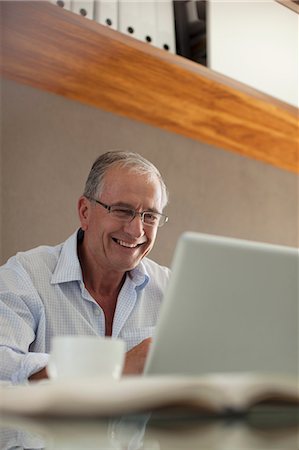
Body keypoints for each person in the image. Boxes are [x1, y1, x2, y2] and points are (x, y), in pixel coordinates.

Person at [0, 151, 170, 383]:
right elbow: (3, 368)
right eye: (122, 210)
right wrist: (116, 368)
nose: (136, 231)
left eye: (150, 216)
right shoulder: (24, 275)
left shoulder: (172, 289)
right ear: (85, 212)